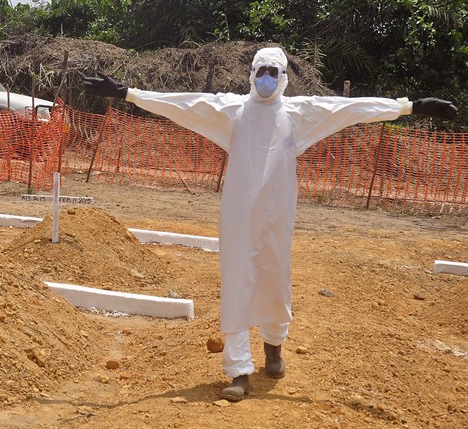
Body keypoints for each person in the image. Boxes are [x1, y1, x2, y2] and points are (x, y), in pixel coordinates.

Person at [82, 46, 458, 401]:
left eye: (272, 72)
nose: (266, 78)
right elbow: (181, 103)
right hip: (239, 214)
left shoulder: (298, 113)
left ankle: (274, 348)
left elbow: (350, 108)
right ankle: (239, 369)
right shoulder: (231, 110)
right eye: (260, 71)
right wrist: (127, 93)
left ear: (283, 77)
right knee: (238, 280)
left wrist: (411, 106)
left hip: (278, 214)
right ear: (251, 74)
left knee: (274, 278)